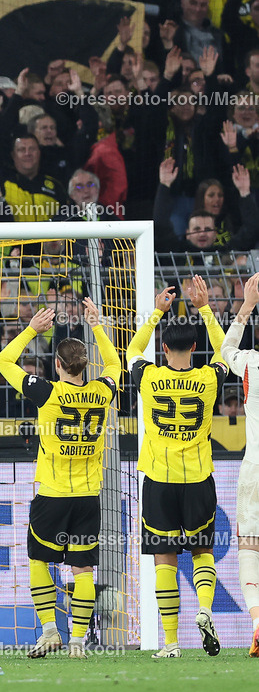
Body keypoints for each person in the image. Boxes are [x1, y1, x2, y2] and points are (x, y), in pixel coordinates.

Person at [0, 298, 121, 658]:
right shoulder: (102, 391)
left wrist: (31, 330)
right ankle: (78, 641)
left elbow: (2, 362)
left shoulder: (47, 392)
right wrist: (97, 325)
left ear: (57, 365)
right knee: (83, 570)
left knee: (39, 561)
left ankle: (50, 631)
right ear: (86, 364)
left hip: (52, 496)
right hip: (87, 498)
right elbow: (114, 364)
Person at [126, 276, 228, 659]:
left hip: (159, 480)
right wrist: (205, 308)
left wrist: (156, 312)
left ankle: (171, 643)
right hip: (198, 478)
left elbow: (132, 352)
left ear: (164, 348)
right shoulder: (209, 378)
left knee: (164, 560)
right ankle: (205, 610)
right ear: (195, 347)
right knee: (202, 551)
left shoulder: (150, 377)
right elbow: (227, 352)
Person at [220, 272, 259, 656]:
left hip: (254, 470)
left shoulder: (251, 363)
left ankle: (258, 623)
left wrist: (246, 306)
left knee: (249, 547)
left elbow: (225, 349)